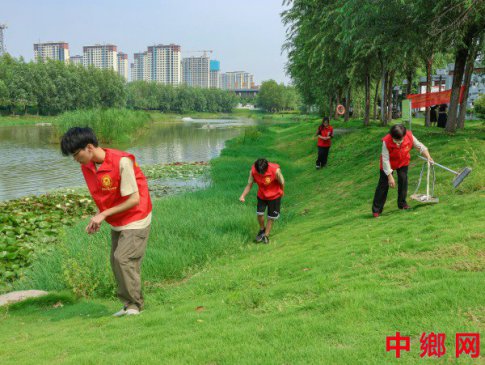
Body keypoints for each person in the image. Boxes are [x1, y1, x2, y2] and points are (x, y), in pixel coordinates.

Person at [60, 127, 152, 317]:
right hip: (117, 219)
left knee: (123, 258)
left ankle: (135, 305)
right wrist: (98, 216)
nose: (75, 158)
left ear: (89, 147)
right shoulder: (87, 167)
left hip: (136, 215)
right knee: (116, 261)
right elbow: (104, 196)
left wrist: (103, 215)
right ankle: (127, 305)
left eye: (77, 154)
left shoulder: (122, 161)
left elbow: (134, 199)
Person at [372, 124, 433, 217]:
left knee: (403, 180)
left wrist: (428, 157)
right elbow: (385, 159)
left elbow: (419, 146)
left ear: (404, 136)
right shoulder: (386, 141)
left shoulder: (409, 135)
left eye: (400, 140)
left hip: (403, 162)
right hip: (388, 163)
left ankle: (402, 204)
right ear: (391, 136)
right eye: (395, 140)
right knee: (383, 185)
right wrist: (390, 176)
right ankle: (377, 210)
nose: (398, 142)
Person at [239, 158, 284, 244]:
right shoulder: (253, 171)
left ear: (266, 168)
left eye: (262, 172)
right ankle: (262, 229)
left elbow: (282, 182)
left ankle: (266, 236)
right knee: (260, 214)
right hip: (262, 195)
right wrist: (243, 195)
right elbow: (249, 185)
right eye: (259, 172)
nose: (260, 174)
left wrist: (282, 192)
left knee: (271, 217)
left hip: (274, 196)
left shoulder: (275, 170)